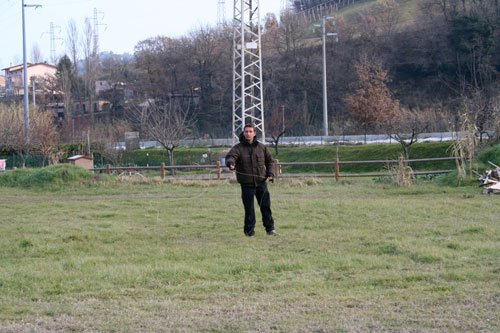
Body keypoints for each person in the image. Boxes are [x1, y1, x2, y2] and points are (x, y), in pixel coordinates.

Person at [225, 123, 277, 237]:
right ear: (243, 133)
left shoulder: (262, 147)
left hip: (261, 183)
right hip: (246, 184)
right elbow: (230, 157)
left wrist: (271, 173)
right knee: (249, 209)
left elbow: (270, 161)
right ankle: (249, 232)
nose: (248, 133)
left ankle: (270, 229)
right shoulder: (238, 148)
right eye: (246, 131)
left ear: (254, 133)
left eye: (250, 131)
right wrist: (231, 164)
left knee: (265, 207)